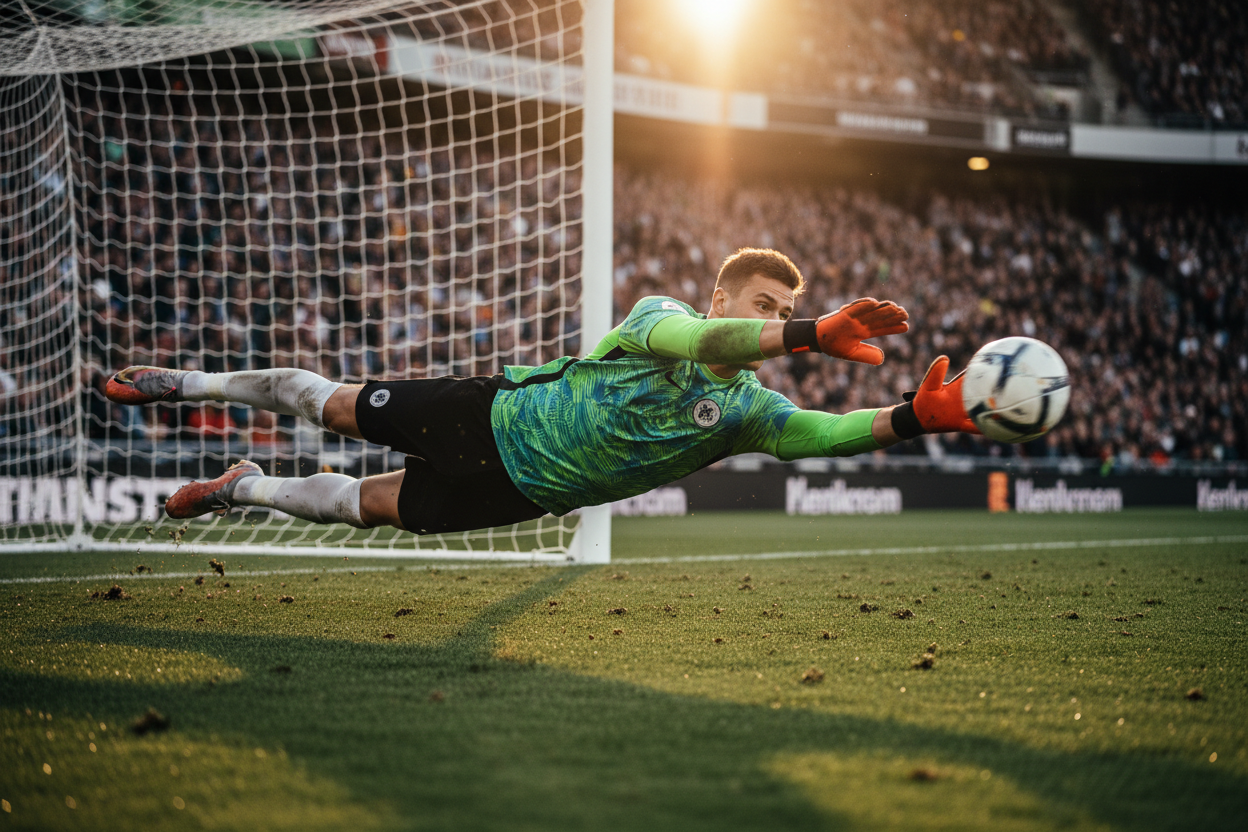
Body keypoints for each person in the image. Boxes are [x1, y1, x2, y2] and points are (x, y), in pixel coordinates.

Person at [105, 248, 976, 534]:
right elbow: (702, 343)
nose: (775, 319)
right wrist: (810, 331)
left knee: (361, 508)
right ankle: (189, 381)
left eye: (785, 311)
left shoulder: (749, 411)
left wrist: (911, 418)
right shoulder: (663, 318)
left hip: (520, 494)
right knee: (330, 404)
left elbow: (821, 433)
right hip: (491, 415)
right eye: (764, 305)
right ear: (721, 298)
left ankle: (242, 488)